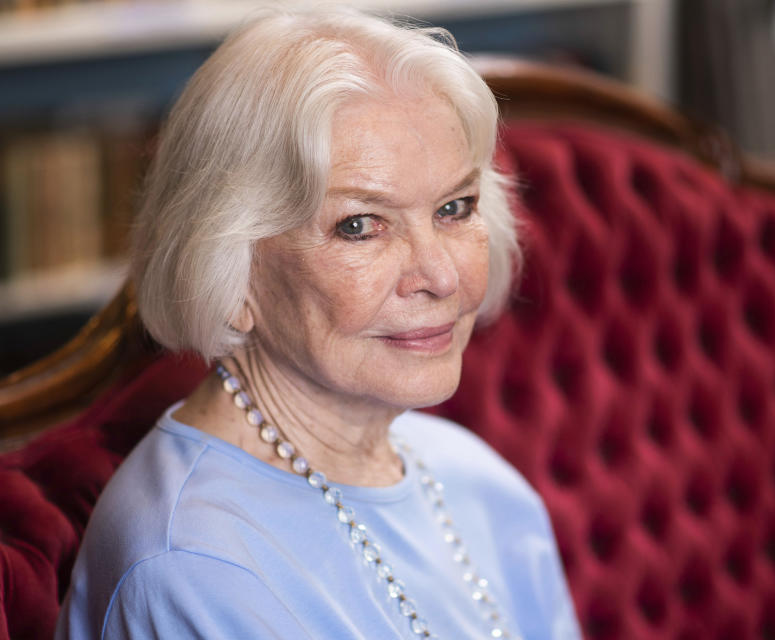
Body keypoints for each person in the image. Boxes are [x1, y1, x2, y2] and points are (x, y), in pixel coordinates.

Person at [55, 5, 580, 640]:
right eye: (360, 225)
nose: (441, 277)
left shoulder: (480, 483)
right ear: (231, 268)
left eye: (454, 207)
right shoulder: (192, 567)